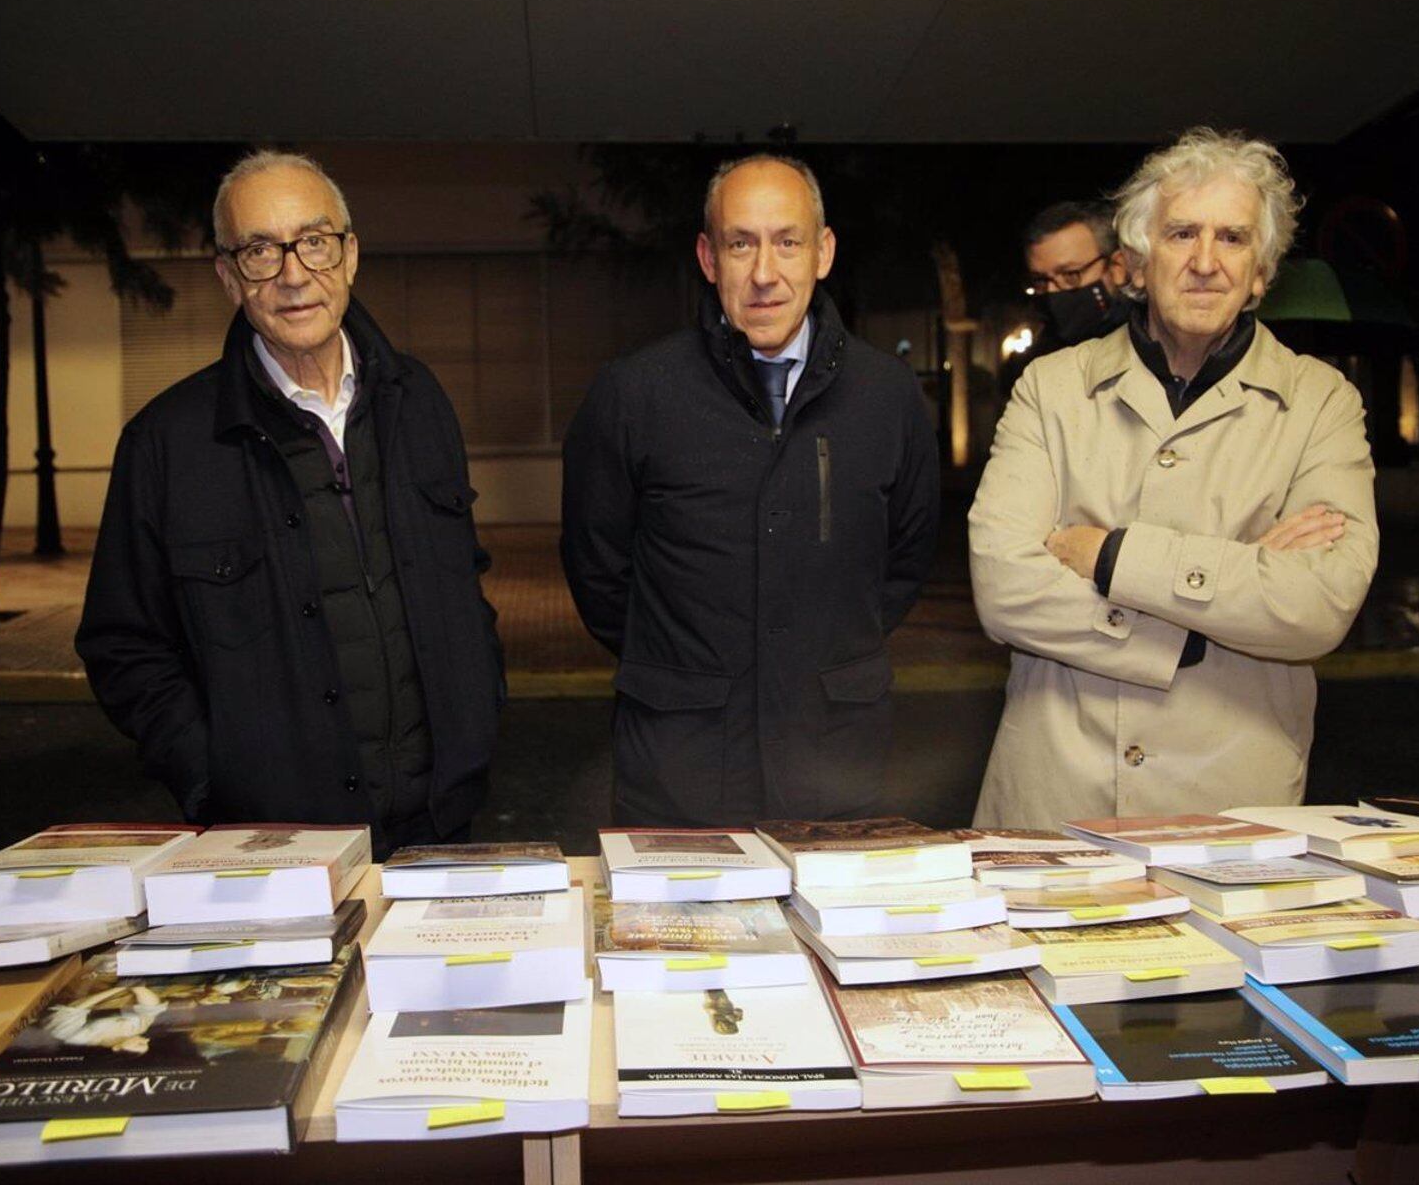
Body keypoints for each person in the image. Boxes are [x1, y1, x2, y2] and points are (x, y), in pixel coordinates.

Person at [76, 150, 503, 857]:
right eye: (259, 251)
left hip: (441, 825)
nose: (294, 274)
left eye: (313, 242)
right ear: (226, 275)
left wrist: (479, 713)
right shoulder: (167, 444)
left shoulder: (418, 400)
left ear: (351, 255)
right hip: (271, 844)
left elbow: (465, 579)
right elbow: (123, 646)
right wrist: (214, 775)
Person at [969, 128, 1378, 828]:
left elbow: (1319, 606)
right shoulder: (1052, 388)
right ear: (1136, 262)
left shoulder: (1321, 403)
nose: (1205, 262)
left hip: (1231, 812)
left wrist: (1110, 556)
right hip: (1052, 802)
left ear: (1261, 273)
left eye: (1233, 239)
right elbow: (1004, 588)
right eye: (1182, 233)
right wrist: (1206, 619)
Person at [561, 154, 940, 826]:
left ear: (822, 252)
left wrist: (814, 649)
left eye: (787, 242)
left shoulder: (888, 395)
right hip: (681, 770)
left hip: (834, 764)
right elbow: (598, 569)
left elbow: (904, 560)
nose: (764, 273)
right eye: (741, 244)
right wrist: (688, 664)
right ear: (709, 258)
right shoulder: (635, 392)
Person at [1023, 200, 1132, 346]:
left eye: (1070, 275)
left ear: (1118, 267)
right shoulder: (1036, 363)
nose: (1051, 291)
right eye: (1040, 280)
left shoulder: (1155, 345)